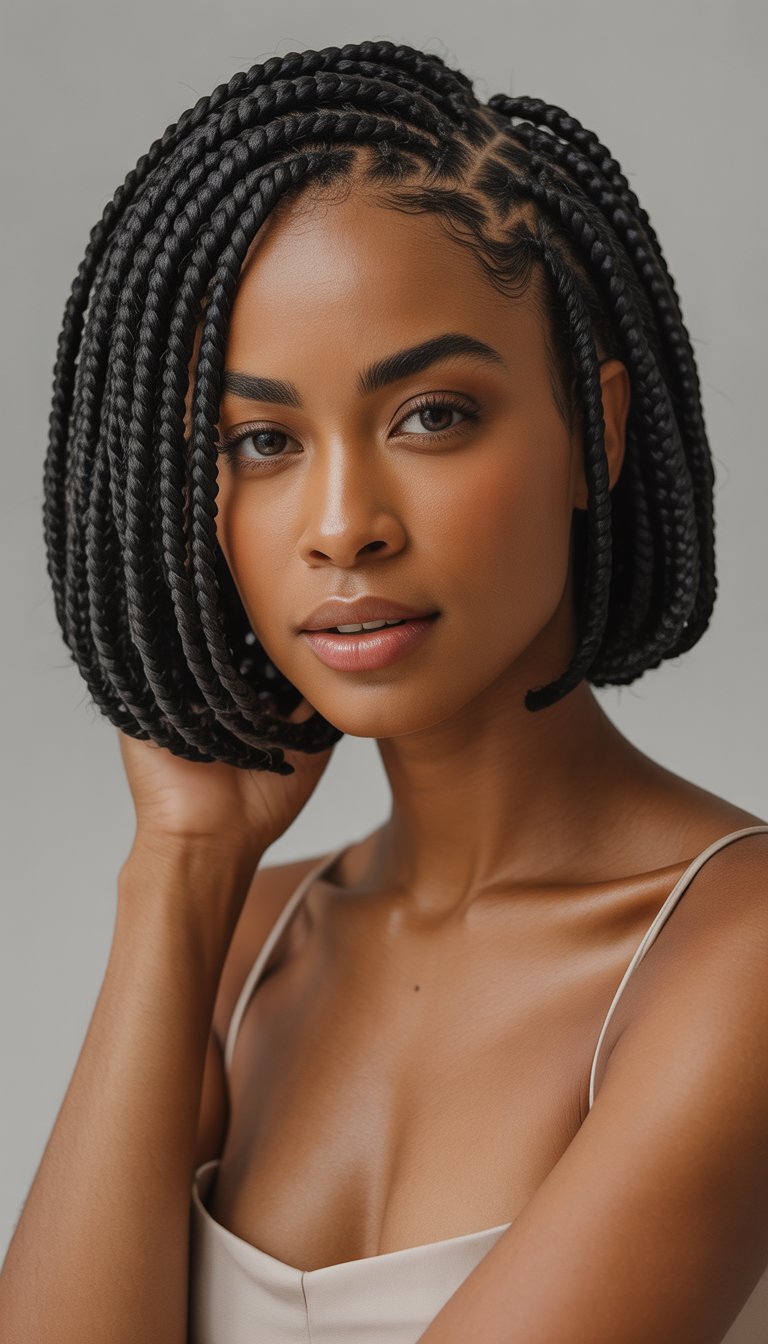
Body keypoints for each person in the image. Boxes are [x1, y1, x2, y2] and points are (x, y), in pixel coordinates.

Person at [2, 37, 767, 1344]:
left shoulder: (733, 960)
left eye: (432, 415)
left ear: (595, 430)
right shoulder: (246, 945)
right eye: (263, 441)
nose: (342, 524)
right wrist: (181, 868)